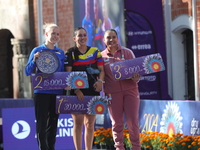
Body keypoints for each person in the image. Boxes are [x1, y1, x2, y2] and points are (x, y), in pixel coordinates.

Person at [25, 23, 65, 150]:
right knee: (41, 124)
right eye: (53, 33)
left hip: (57, 92)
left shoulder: (61, 52)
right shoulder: (37, 51)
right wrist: (34, 61)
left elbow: (63, 73)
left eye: (57, 34)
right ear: (46, 34)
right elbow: (27, 71)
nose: (55, 36)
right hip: (41, 92)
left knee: (53, 124)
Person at [64, 27, 105, 150]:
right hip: (76, 92)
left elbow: (102, 70)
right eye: (79, 35)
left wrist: (100, 81)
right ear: (74, 38)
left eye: (84, 35)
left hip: (93, 90)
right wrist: (76, 90)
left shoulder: (95, 51)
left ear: (87, 37)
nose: (82, 38)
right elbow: (68, 74)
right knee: (78, 123)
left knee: (90, 124)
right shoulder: (70, 52)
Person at [101, 29, 141, 150]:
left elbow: (137, 71)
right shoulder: (101, 56)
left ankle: (136, 147)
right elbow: (100, 75)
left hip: (130, 91)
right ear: (104, 40)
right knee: (117, 123)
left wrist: (136, 77)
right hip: (112, 93)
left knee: (132, 121)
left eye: (114, 37)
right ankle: (119, 148)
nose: (111, 40)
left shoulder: (128, 53)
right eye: (108, 37)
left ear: (118, 38)